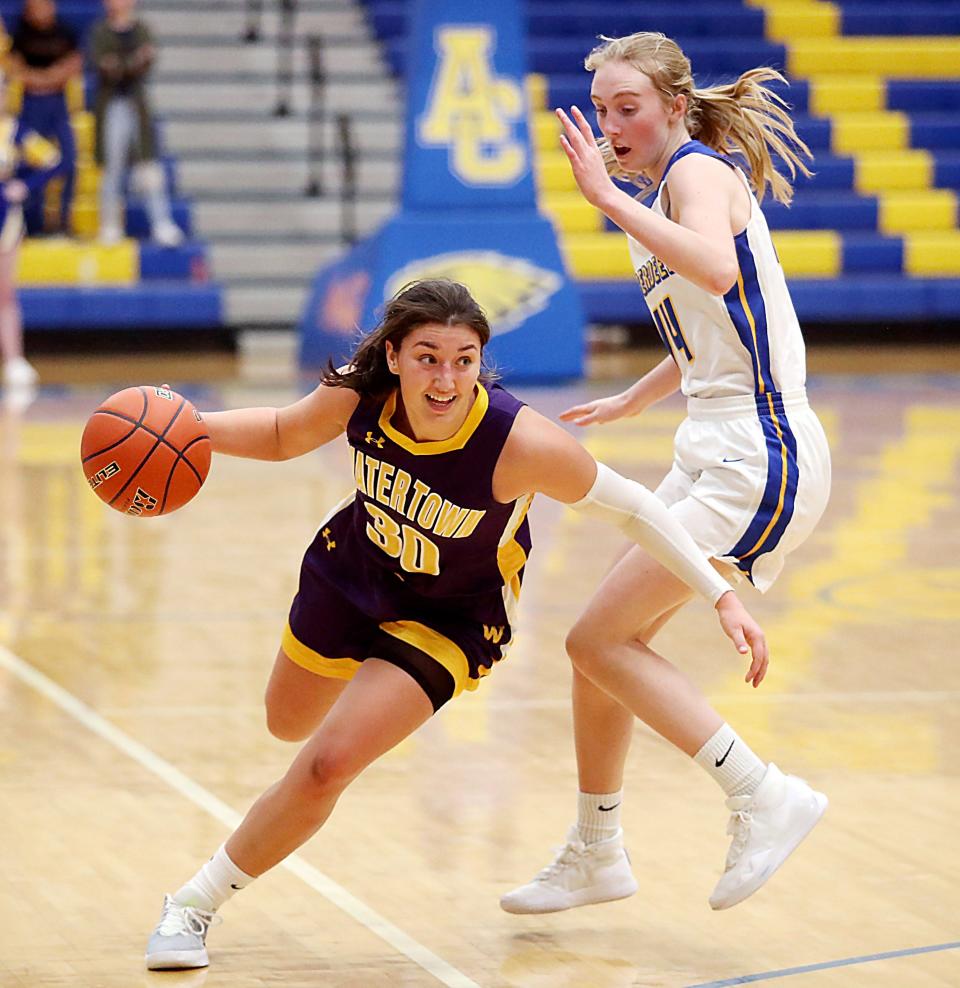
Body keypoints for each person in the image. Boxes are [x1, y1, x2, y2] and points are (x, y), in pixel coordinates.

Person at [143, 278, 767, 970]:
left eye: (463, 359)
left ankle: (191, 906)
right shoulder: (363, 393)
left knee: (324, 765)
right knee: (285, 722)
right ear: (394, 355)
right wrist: (185, 426)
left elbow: (637, 510)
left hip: (449, 618)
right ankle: (348, 680)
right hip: (351, 574)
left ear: (480, 361)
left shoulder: (520, 442)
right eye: (428, 357)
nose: (445, 378)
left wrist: (719, 595)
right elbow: (289, 431)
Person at [499, 32, 832, 916]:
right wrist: (640, 398)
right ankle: (596, 850)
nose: (612, 125)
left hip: (759, 452)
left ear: (675, 108)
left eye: (627, 108)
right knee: (594, 648)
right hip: (717, 441)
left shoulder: (696, 173)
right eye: (602, 111)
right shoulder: (668, 189)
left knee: (597, 642)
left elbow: (721, 272)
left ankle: (764, 794)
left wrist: (606, 199)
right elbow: (718, 318)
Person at [89, 0, 183, 247]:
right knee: (112, 167)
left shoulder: (141, 29)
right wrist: (131, 64)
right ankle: (109, 224)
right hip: (111, 104)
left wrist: (123, 66)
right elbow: (105, 66)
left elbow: (145, 62)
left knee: (149, 166)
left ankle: (162, 223)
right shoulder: (100, 31)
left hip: (136, 104)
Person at [0, 70, 60, 392]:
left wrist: (25, 185)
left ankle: (13, 359)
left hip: (4, 219)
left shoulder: (14, 131)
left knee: (4, 293)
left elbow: (53, 160)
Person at [5, 0, 80, 237]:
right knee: (28, 163)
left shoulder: (65, 30)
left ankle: (62, 219)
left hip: (57, 103)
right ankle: (33, 221)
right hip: (31, 103)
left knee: (67, 159)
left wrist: (41, 78)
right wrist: (47, 77)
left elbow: (73, 64)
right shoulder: (21, 33)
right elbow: (14, 68)